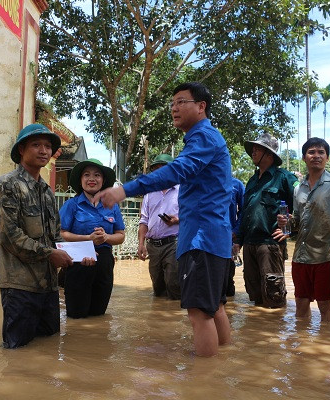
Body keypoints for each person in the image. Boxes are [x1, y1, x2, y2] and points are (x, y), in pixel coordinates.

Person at [95, 81, 233, 357]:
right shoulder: (206, 138)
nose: (174, 108)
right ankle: (220, 374)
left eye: (181, 101)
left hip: (200, 239)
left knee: (198, 312)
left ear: (201, 106)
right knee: (214, 306)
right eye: (172, 103)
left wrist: (124, 189)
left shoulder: (203, 137)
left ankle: (202, 383)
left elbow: (177, 171)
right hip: (211, 238)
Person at [0, 124, 88, 349]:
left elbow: (55, 237)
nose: (44, 150)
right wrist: (50, 255)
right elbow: (9, 236)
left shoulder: (46, 191)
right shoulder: (7, 185)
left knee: (49, 349)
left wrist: (76, 258)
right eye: (36, 145)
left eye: (47, 146)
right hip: (19, 286)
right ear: (22, 149)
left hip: (49, 287)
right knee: (17, 352)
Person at [275, 138, 330, 322]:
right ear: (304, 157)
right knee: (300, 303)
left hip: (324, 256)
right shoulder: (298, 188)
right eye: (311, 152)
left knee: (324, 306)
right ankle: (301, 348)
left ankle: (326, 340)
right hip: (300, 256)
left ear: (327, 157)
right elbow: (296, 223)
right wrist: (287, 222)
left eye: (321, 152)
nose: (316, 156)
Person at [233, 133, 298, 308]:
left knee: (273, 297)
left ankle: (275, 331)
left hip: (270, 244)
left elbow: (302, 206)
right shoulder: (252, 181)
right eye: (253, 150)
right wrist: (238, 241)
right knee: (255, 296)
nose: (253, 153)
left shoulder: (284, 178)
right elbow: (245, 211)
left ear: (269, 155)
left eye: (257, 150)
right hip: (250, 245)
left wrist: (289, 230)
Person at [59, 158, 125, 318]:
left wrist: (106, 237)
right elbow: (61, 233)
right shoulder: (71, 205)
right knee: (76, 315)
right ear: (81, 180)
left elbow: (121, 236)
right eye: (86, 175)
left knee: (98, 315)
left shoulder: (112, 206)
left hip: (104, 263)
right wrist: (88, 238)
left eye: (97, 175)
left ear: (103, 180)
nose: (92, 179)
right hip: (78, 260)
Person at [137, 154, 181, 300]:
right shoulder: (150, 193)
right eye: (156, 169)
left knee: (174, 283)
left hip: (174, 243)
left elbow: (193, 215)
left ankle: (173, 317)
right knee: (157, 286)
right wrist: (141, 244)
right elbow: (144, 220)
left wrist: (176, 220)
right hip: (153, 246)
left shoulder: (182, 190)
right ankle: (160, 316)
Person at [227, 176, 245, 297]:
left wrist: (236, 232)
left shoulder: (236, 185)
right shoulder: (202, 182)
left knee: (227, 278)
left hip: (229, 238)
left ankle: (228, 312)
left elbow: (244, 210)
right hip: (206, 238)